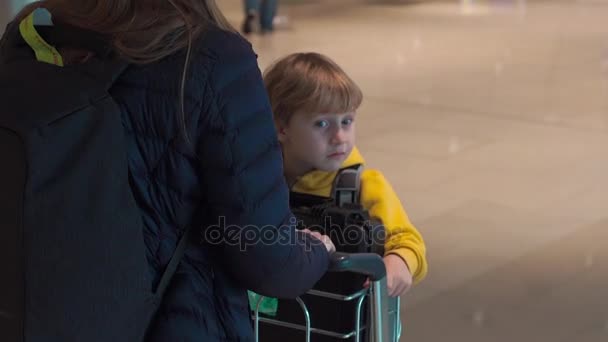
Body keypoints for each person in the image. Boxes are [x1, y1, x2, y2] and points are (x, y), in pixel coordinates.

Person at [7, 1, 335, 341]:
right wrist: (316, 251)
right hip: (177, 322)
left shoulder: (34, 34)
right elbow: (270, 261)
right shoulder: (211, 57)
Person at [264, 52, 428, 297]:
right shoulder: (260, 178)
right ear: (280, 127)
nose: (339, 137)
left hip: (334, 318)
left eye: (347, 121)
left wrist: (399, 262)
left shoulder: (362, 185)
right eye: (322, 124)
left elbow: (407, 239)